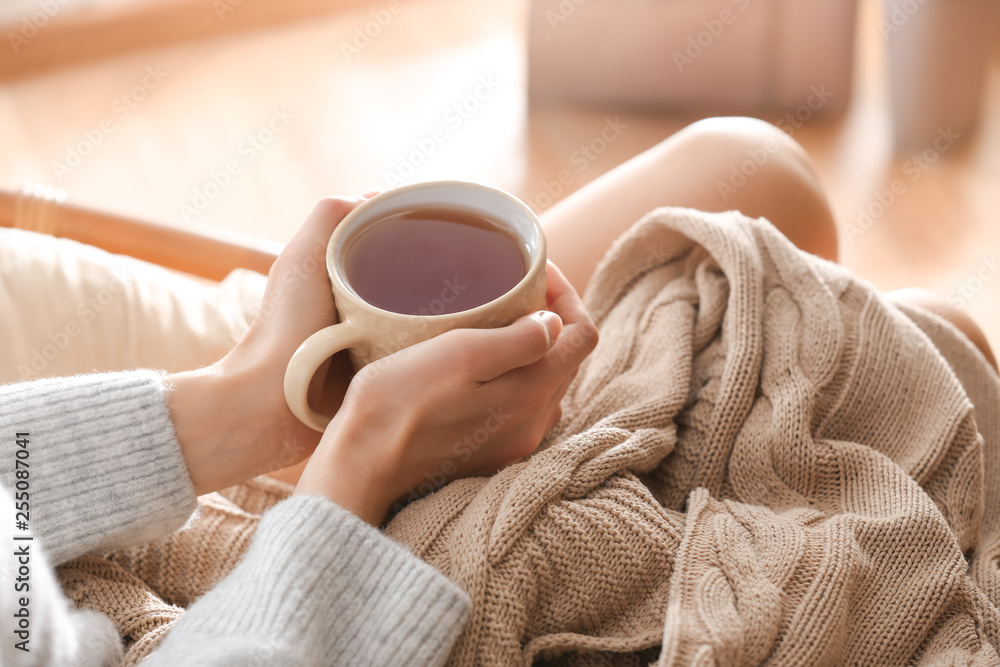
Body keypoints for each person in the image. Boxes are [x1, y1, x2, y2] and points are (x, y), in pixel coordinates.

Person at [0, 117, 993, 666]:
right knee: (936, 344)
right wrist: (357, 463)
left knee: (754, 170)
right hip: (267, 630)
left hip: (113, 535)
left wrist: (244, 404)